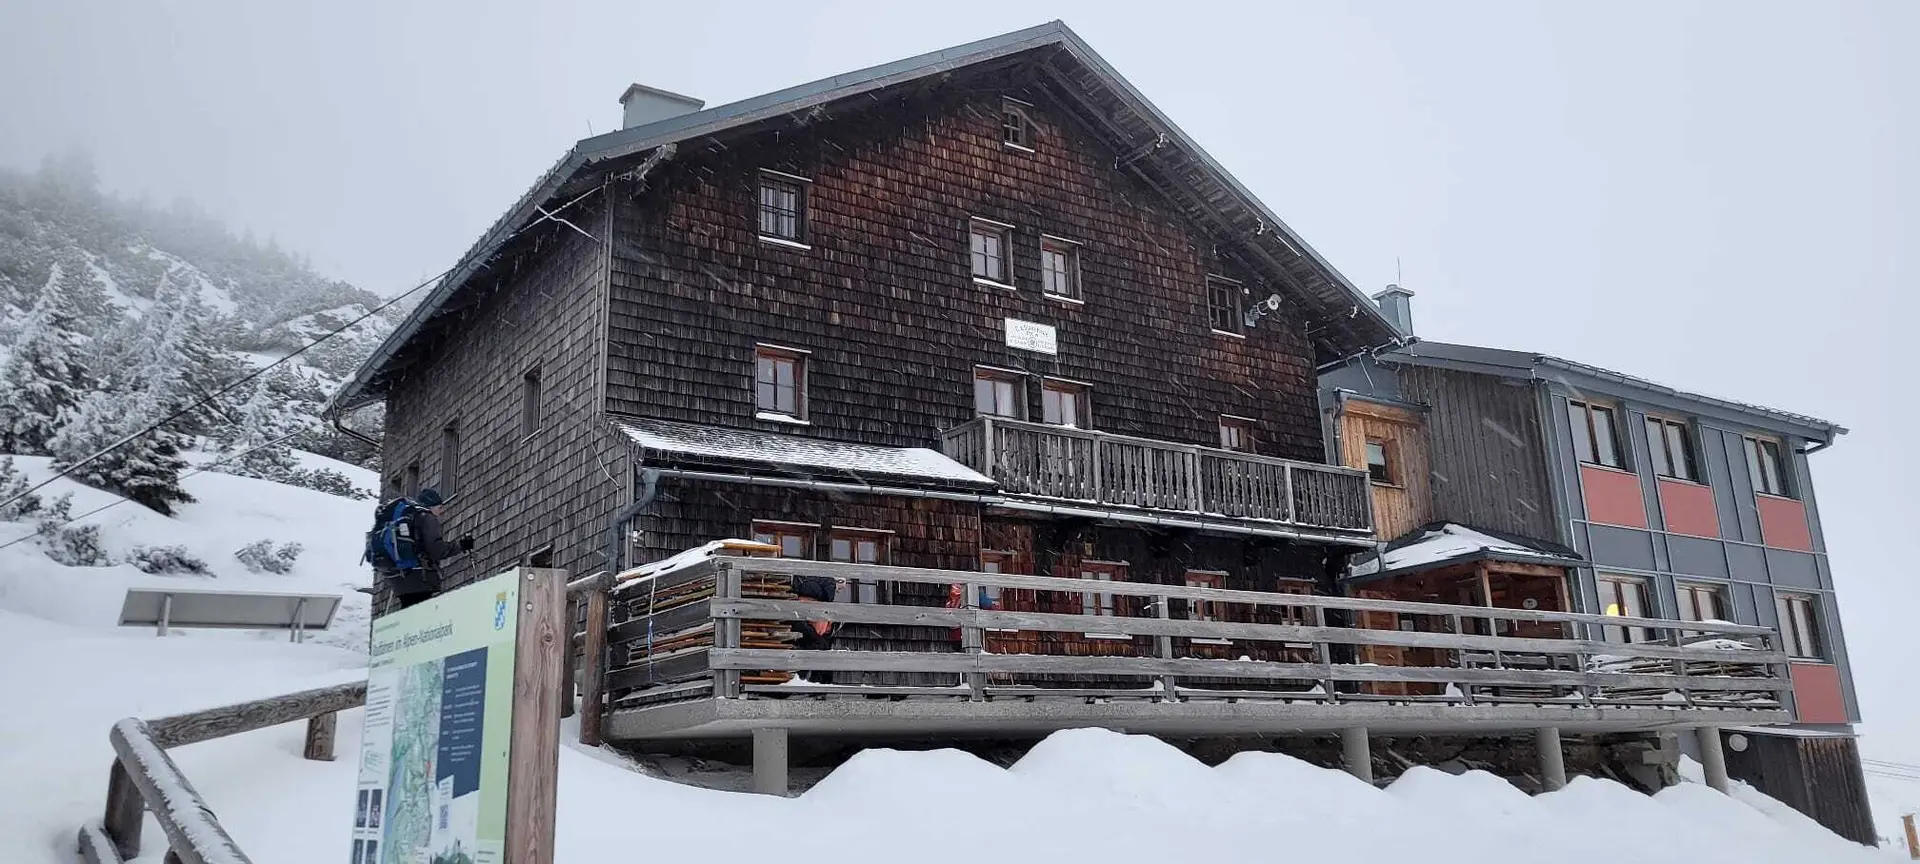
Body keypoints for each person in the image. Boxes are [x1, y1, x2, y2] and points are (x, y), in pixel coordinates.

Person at [386, 487, 473, 610]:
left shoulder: (409, 519)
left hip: (400, 578)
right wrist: (461, 545)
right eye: (440, 507)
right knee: (421, 615)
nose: (441, 511)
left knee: (409, 612)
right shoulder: (427, 517)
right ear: (430, 506)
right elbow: (436, 549)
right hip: (420, 578)